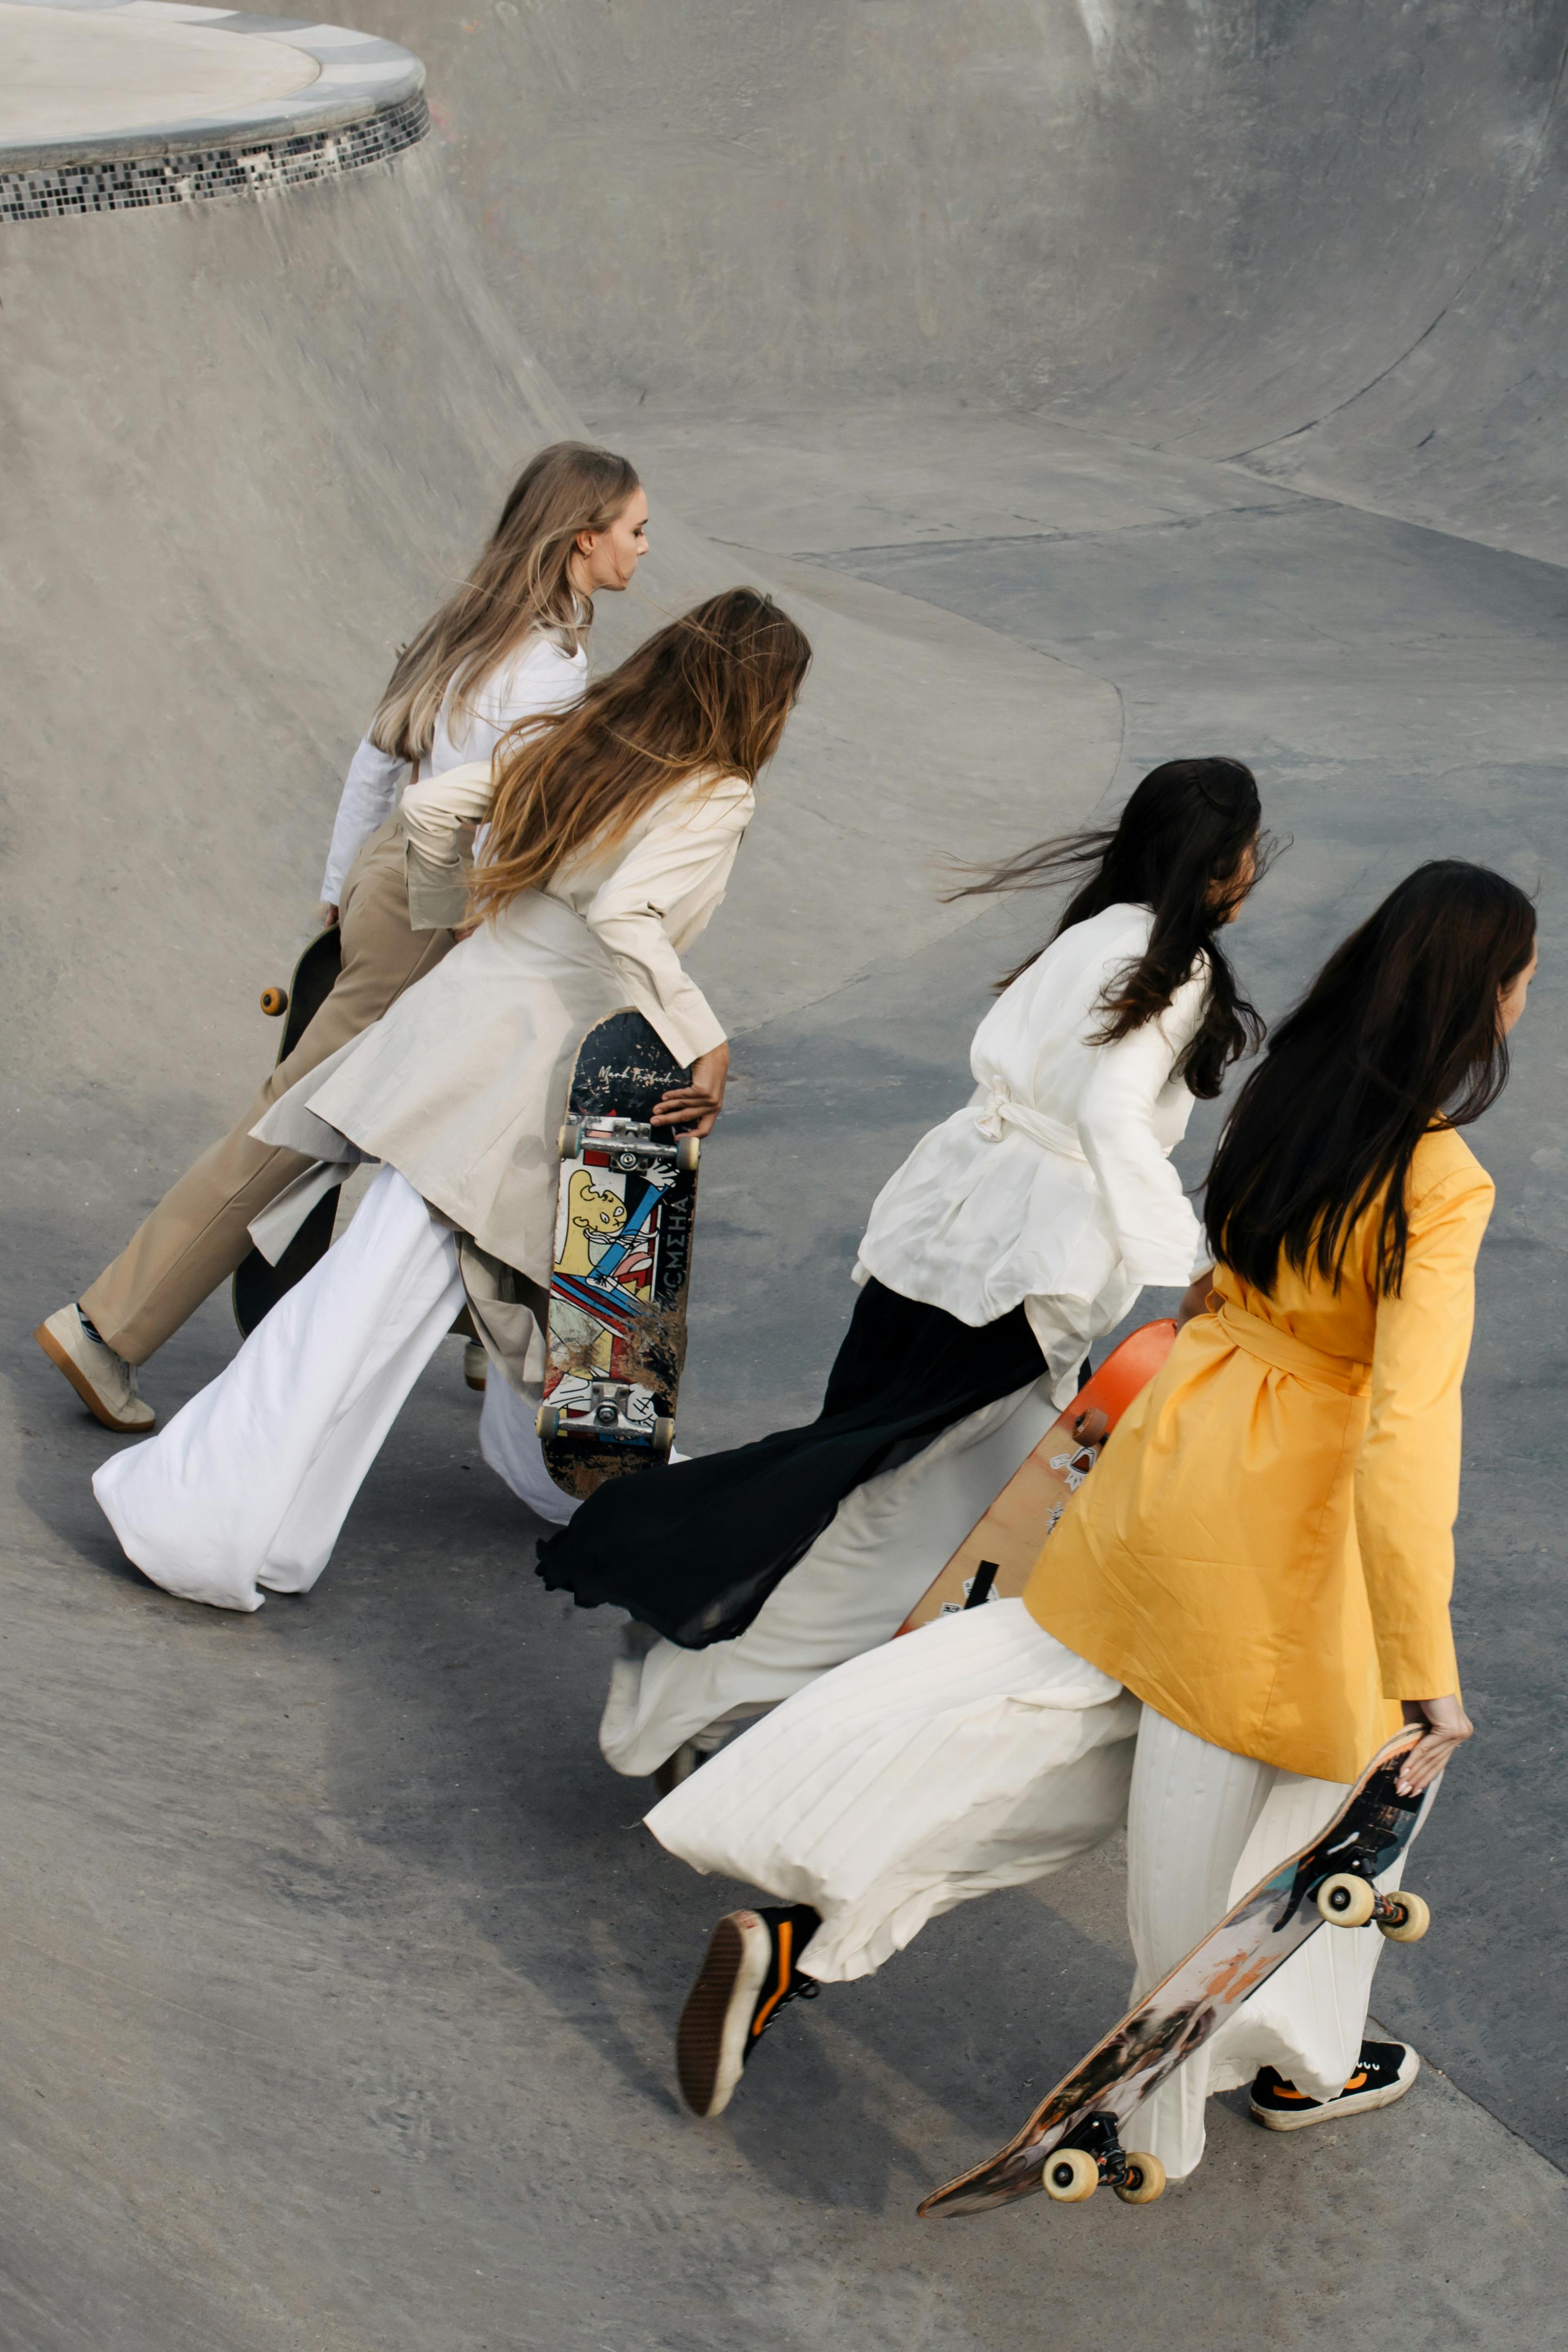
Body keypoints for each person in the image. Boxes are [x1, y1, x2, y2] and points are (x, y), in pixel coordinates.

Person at [651, 859, 1533, 2183]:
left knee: (1086, 1779)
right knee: (1314, 1804)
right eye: (1519, 979)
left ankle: (812, 1940)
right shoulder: (1437, 1178)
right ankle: (1217, 2077)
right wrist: (1424, 1667)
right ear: (1478, 998)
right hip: (1287, 1530)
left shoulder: (1290, 1090)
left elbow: (1202, 1286)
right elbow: (1404, 1430)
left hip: (1178, 1465)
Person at [539, 757, 1269, 1785]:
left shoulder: (1092, 935)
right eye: (1249, 852)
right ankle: (684, 1691)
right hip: (1021, 1272)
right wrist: (1185, 1262)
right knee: (913, 1525)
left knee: (862, 1476)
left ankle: (700, 1664)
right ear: (1220, 867)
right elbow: (1110, 1113)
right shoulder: (1173, 969)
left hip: (939, 1234)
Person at [90, 589, 813, 1614]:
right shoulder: (716, 792)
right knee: (367, 1305)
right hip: (526, 1059)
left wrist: (454, 927)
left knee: (407, 1296)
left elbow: (431, 812)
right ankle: (188, 1514)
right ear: (761, 699)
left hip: (463, 1024)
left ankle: (289, 1525)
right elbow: (629, 913)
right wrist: (708, 1040)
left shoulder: (590, 739)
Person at [35, 442, 648, 1433]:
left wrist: (340, 889)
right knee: (294, 1130)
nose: (644, 547)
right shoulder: (547, 670)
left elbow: (378, 759)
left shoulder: (472, 624)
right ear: (585, 540)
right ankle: (107, 1327)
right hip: (444, 900)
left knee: (495, 1103)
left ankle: (497, 1337)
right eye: (634, 529)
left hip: (395, 871)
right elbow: (504, 829)